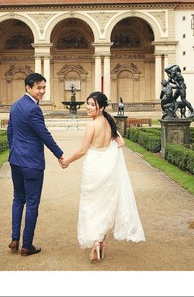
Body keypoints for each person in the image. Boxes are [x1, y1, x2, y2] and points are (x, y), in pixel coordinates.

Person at [60, 91, 145, 262]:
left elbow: (83, 150)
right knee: (105, 204)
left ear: (102, 107)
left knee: (91, 205)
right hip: (108, 168)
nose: (88, 107)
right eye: (88, 103)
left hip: (93, 167)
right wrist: (109, 151)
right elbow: (121, 143)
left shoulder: (91, 125)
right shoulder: (109, 121)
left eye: (92, 104)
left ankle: (96, 243)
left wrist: (67, 160)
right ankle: (101, 242)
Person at [6, 73, 65, 256]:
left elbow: (10, 132)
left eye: (44, 87)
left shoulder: (15, 105)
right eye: (39, 87)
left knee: (18, 199)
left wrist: (14, 151)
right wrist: (60, 154)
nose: (42, 91)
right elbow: (44, 134)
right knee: (31, 204)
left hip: (16, 161)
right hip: (32, 163)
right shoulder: (33, 109)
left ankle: (15, 239)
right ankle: (26, 245)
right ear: (28, 88)